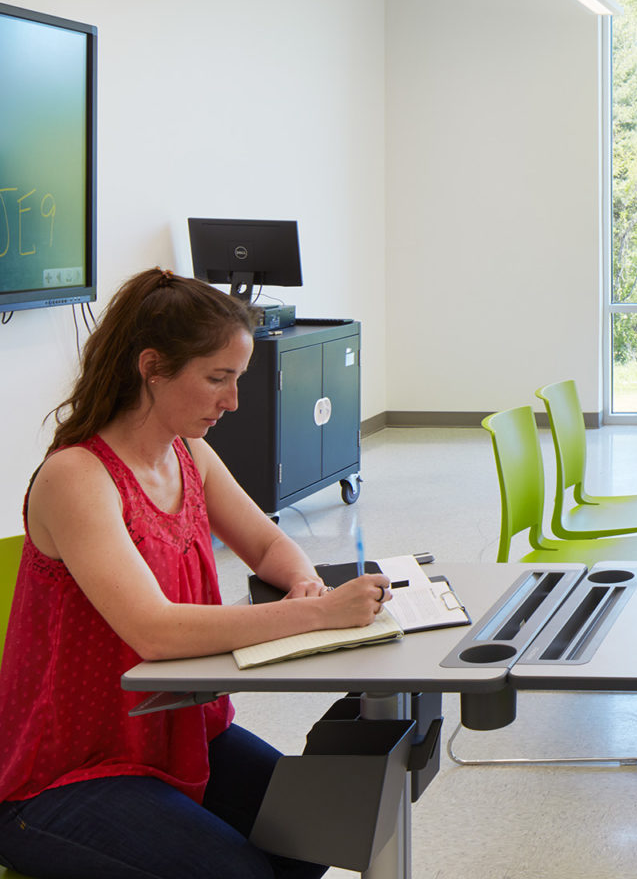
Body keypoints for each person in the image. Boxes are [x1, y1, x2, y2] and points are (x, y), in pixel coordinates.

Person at [0, 269, 392, 879]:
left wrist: (302, 580)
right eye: (218, 379)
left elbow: (265, 543)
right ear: (151, 367)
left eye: (237, 380)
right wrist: (317, 613)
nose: (232, 401)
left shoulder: (189, 453)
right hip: (66, 775)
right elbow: (153, 631)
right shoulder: (77, 477)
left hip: (175, 734)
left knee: (318, 832)